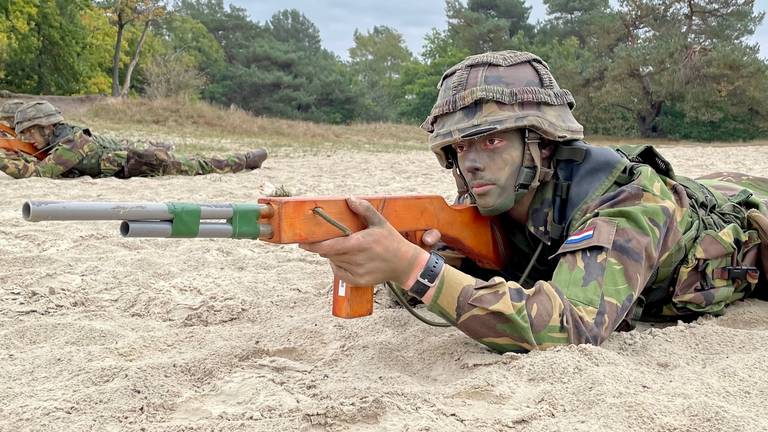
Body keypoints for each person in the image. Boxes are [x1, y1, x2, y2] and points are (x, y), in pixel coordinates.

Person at [300, 50, 768, 353]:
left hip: (741, 219)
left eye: (491, 142)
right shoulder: (498, 199)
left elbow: (572, 328)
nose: (473, 164)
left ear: (541, 143)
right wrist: (410, 257)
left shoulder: (626, 204)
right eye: (461, 148)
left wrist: (413, 268)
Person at [0, 100, 268, 179]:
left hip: (137, 161)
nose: (28, 139)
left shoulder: (72, 143)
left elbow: (41, 172)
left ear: (46, 126)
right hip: (126, 157)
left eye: (30, 133)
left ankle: (244, 161)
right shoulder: (57, 142)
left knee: (198, 164)